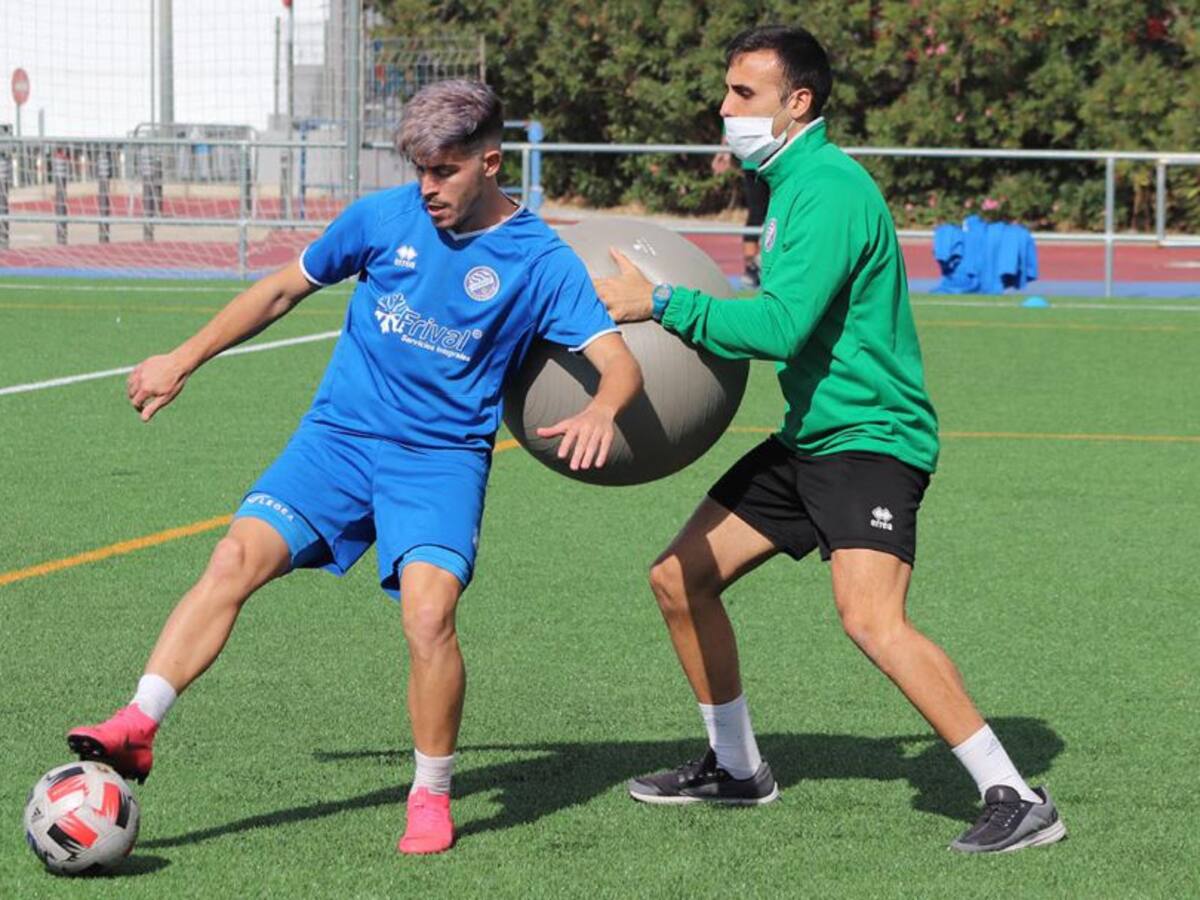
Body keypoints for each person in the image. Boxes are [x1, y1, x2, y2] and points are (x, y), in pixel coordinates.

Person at [66, 80, 643, 856]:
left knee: (429, 616)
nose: (428, 187)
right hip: (337, 439)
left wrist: (604, 408)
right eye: (420, 170)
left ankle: (430, 792)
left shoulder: (540, 261)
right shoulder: (382, 217)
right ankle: (139, 721)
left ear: (490, 162)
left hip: (438, 460)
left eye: (445, 170)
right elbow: (281, 290)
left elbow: (619, 365)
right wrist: (183, 359)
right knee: (234, 557)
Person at [595, 26, 1064, 854]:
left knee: (872, 619)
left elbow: (780, 327)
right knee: (679, 578)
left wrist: (659, 304)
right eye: (727, 90)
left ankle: (1017, 796)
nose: (725, 107)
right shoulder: (790, 185)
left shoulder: (829, 188)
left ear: (798, 102)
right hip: (812, 435)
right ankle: (736, 768)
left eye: (744, 93)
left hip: (872, 438)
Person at [711, 146, 769, 288]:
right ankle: (751, 269)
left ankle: (771, 267)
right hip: (755, 162)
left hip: (780, 158)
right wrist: (724, 150)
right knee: (756, 214)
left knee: (781, 213)